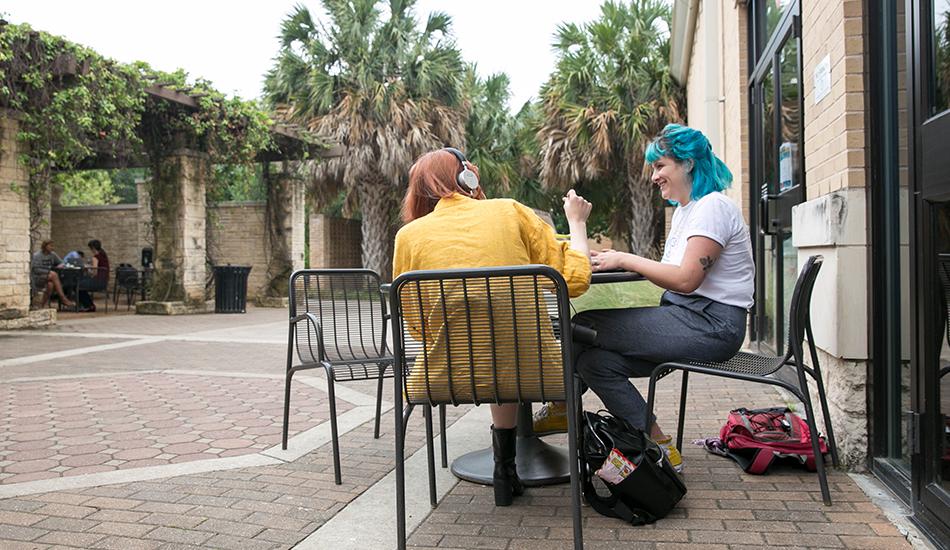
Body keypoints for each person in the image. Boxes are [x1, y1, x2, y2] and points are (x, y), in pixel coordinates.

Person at [533, 124, 754, 472]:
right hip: (687, 317)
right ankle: (659, 444)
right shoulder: (686, 210)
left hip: (712, 326)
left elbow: (684, 278)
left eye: (660, 166)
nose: (654, 177)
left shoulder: (713, 207)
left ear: (688, 164)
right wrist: (603, 260)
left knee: (583, 323)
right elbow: (671, 273)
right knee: (594, 364)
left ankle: (561, 403)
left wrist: (623, 258)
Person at [393, 148, 593, 506]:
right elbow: (574, 281)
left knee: (487, 348)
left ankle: (505, 469)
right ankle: (507, 466)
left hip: (442, 378)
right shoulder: (510, 210)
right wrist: (576, 223)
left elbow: (417, 322)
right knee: (509, 351)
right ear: (467, 177)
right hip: (538, 377)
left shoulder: (408, 236)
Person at [31, 240, 75, 309]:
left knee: (50, 285)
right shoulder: (37, 255)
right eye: (50, 246)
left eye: (53, 246)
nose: (52, 248)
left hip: (48, 277)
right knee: (53, 274)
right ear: (45, 246)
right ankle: (63, 298)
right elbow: (35, 269)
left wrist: (60, 265)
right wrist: (48, 271)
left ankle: (41, 305)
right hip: (38, 277)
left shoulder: (53, 254)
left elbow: (62, 262)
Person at [76, 239, 110, 312]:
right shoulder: (103, 255)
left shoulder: (96, 257)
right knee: (82, 283)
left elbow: (95, 272)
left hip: (97, 281)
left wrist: (88, 269)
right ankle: (89, 305)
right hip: (104, 281)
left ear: (93, 248)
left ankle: (88, 305)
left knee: (78, 285)